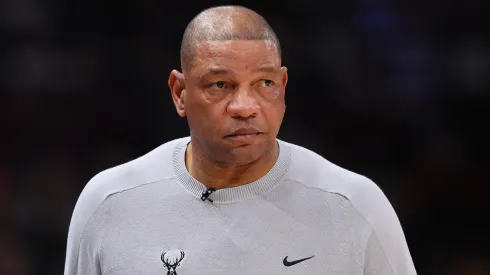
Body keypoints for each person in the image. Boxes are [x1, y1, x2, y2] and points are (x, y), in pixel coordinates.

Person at [64, 5, 416, 275]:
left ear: (283, 87)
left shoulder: (354, 205)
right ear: (180, 93)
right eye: (220, 85)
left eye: (264, 84)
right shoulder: (109, 203)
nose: (245, 107)